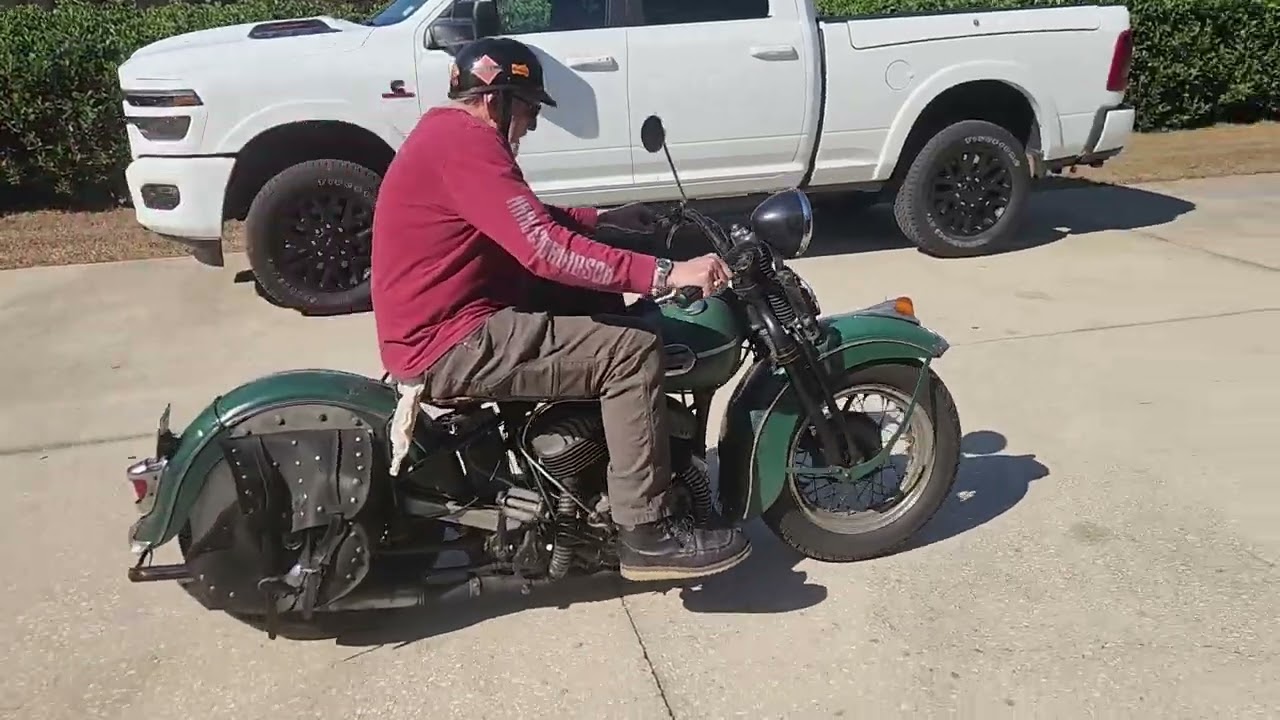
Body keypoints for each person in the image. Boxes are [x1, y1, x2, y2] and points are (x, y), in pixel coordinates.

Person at [369, 36, 751, 581]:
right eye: (527, 109)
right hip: (449, 340)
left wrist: (608, 222)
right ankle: (646, 531)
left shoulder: (448, 137)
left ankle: (589, 464)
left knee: (594, 299)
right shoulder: (467, 144)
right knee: (631, 350)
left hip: (447, 320)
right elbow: (543, 248)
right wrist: (666, 274)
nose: (531, 123)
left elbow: (520, 214)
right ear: (497, 100)